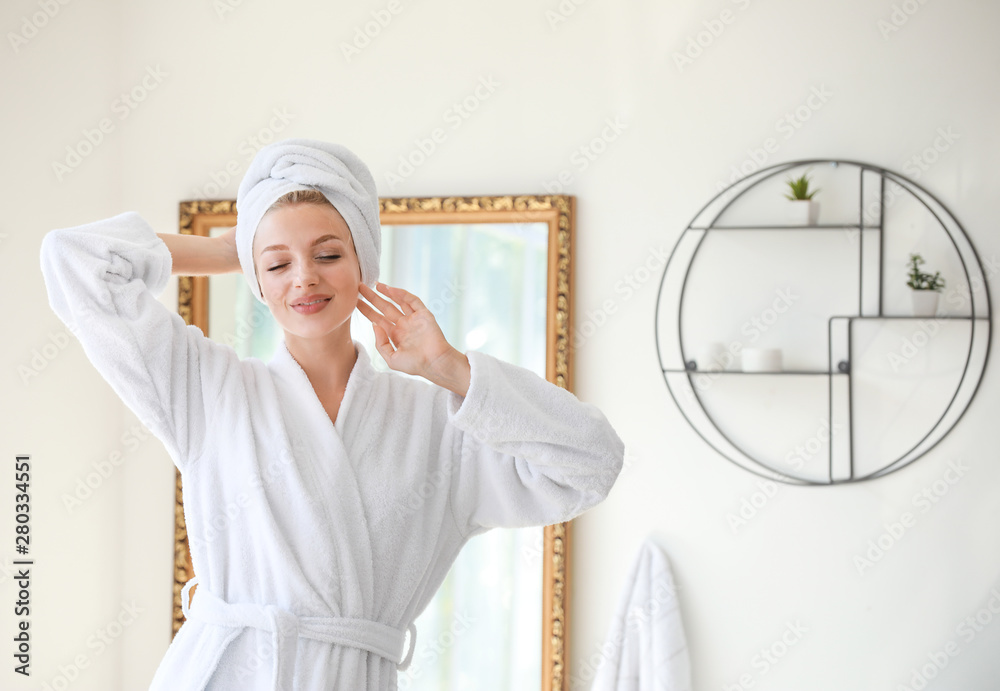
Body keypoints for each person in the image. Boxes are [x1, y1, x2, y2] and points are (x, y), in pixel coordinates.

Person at [39, 138, 625, 691]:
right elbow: (76, 260)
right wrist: (232, 248)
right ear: (256, 281)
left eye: (327, 253)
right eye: (276, 265)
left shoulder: (439, 426)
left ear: (362, 261)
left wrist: (449, 367)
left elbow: (592, 461)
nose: (304, 278)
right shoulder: (206, 391)